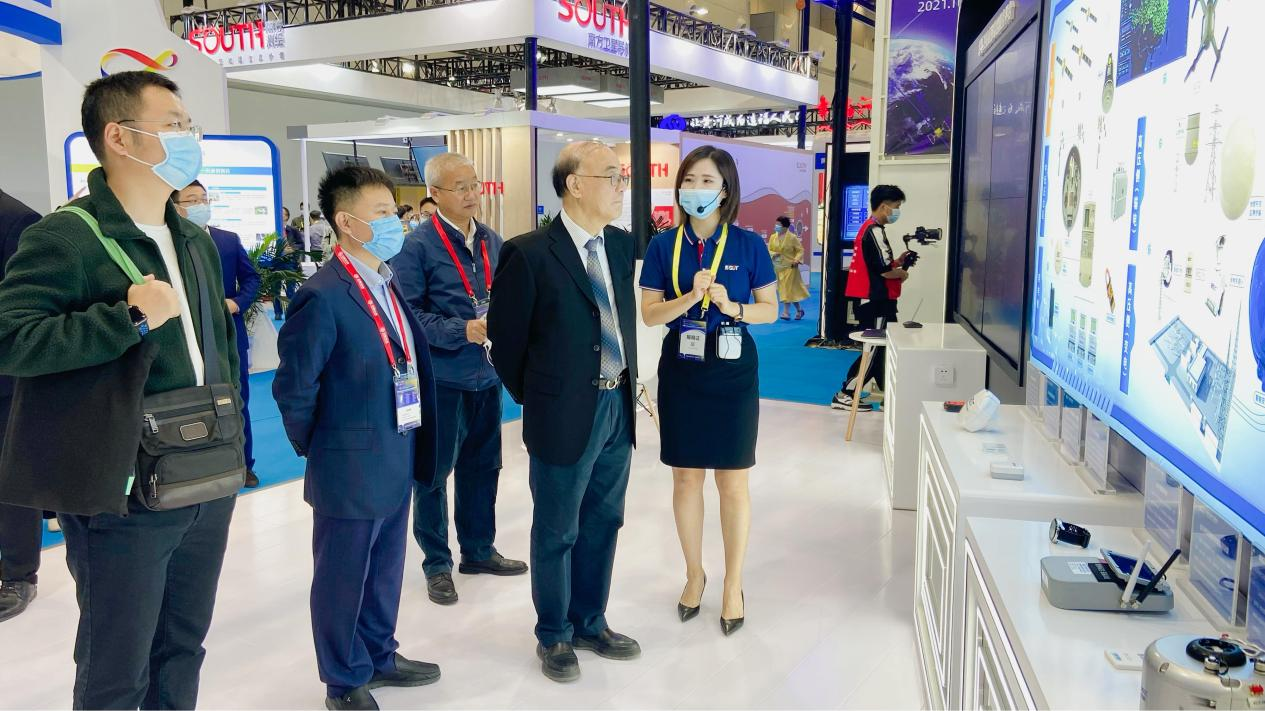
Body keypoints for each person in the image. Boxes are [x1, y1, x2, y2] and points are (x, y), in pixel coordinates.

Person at [0, 70, 240, 709]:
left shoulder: (193, 239)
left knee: (182, 646)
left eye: (189, 125)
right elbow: (11, 338)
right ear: (119, 137)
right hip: (123, 492)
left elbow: (219, 348)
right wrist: (127, 318)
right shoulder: (67, 236)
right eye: (174, 125)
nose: (189, 137)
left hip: (205, 473)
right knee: (116, 667)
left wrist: (235, 439)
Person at [274, 166, 442, 711]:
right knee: (343, 575)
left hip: (396, 447)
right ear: (347, 222)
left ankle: (378, 654)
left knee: (386, 567)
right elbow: (294, 388)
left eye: (394, 210)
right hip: (348, 462)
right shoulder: (323, 295)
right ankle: (343, 679)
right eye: (383, 213)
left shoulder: (385, 281)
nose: (396, 221)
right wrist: (325, 448)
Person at [488, 141, 641, 683]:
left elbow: (620, 320)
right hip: (562, 412)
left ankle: (590, 621)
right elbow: (506, 344)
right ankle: (553, 633)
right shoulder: (529, 253)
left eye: (622, 177)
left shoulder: (619, 245)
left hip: (617, 403)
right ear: (575, 184)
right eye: (612, 176)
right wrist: (544, 398)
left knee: (605, 519)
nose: (622, 186)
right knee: (557, 528)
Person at [639, 145, 778, 637]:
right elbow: (649, 314)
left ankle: (733, 583)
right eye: (689, 180)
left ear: (725, 191)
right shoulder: (663, 246)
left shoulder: (748, 245)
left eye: (706, 181)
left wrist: (732, 306)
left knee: (733, 482)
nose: (695, 189)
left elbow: (770, 310)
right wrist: (689, 297)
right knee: (685, 479)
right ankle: (694, 573)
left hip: (733, 371)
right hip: (682, 369)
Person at [392, 152, 526, 607]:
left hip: (487, 375)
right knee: (433, 474)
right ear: (435, 193)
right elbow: (408, 316)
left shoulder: (492, 240)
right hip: (442, 379)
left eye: (475, 185)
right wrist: (460, 329)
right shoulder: (416, 247)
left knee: (483, 467)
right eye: (461, 187)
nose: (472, 194)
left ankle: (479, 550)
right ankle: (437, 564)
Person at [174, 180, 262, 488]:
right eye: (192, 200)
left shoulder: (227, 240)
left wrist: (237, 303)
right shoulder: (170, 242)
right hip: (188, 335)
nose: (201, 205)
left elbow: (251, 278)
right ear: (176, 207)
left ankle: (244, 464)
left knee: (238, 398)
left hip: (229, 332)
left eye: (204, 199)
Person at [0, 188, 42, 624]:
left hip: (5, 378)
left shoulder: (16, 220)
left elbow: (23, 308)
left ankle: (17, 572)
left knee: (10, 478)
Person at [831, 184, 909, 412]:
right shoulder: (873, 230)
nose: (897, 211)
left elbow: (878, 265)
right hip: (875, 301)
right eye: (896, 206)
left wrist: (898, 263)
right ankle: (846, 393)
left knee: (883, 349)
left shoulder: (872, 229)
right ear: (884, 207)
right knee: (873, 349)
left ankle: (887, 396)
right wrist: (901, 273)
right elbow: (883, 271)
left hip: (877, 300)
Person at [768, 215, 809, 320]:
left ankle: (786, 312)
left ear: (785, 227)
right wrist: (774, 254)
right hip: (778, 267)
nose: (776, 226)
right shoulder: (773, 237)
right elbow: (769, 249)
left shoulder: (792, 238)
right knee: (789, 290)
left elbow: (800, 250)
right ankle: (799, 310)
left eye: (779, 224)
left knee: (786, 289)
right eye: (776, 224)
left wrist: (796, 260)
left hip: (790, 267)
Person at [271, 206, 304, 320]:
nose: (280, 216)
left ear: (287, 217)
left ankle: (290, 312)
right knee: (275, 290)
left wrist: (293, 248)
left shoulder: (292, 230)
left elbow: (301, 244)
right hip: (275, 263)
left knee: (290, 290)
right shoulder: (272, 230)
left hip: (290, 263)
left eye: (283, 214)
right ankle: (277, 312)